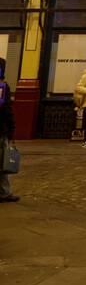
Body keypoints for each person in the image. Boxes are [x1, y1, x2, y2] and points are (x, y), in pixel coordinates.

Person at [0, 57, 19, 203]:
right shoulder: (2, 87)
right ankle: (4, 192)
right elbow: (6, 109)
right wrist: (11, 128)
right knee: (2, 161)